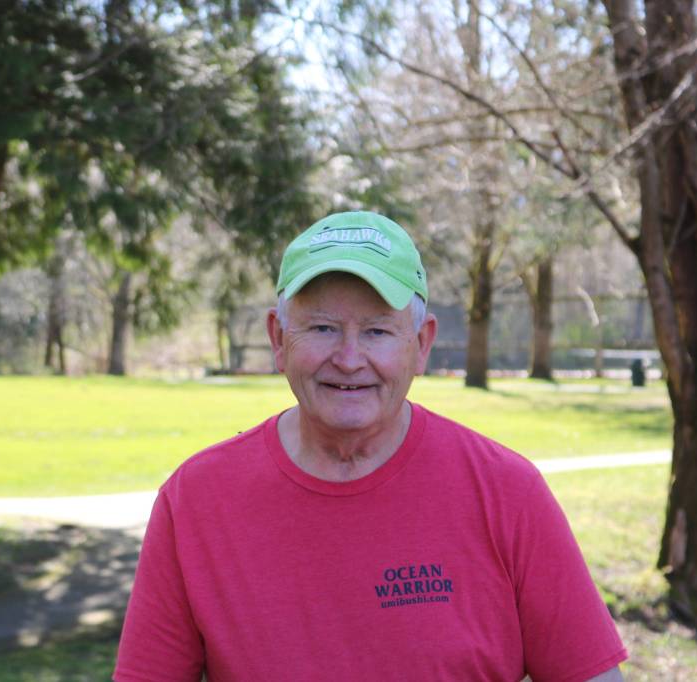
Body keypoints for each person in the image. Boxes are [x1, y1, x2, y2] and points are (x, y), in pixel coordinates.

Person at [114, 211, 627, 681]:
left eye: (378, 331)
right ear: (278, 338)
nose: (349, 357)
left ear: (421, 345)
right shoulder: (196, 501)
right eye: (322, 328)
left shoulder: (507, 491)